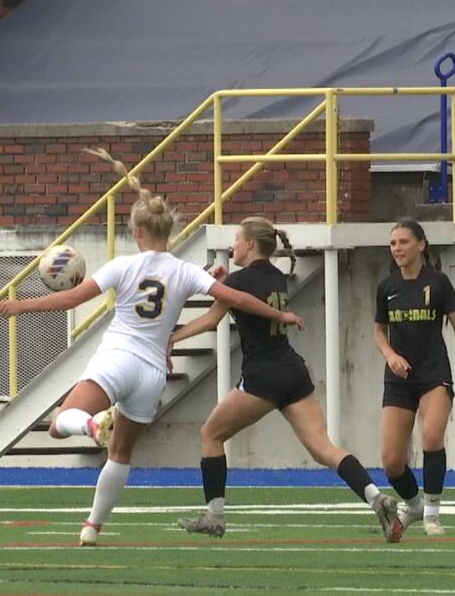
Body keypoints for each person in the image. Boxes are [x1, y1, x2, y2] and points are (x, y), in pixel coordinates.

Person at [0, 148, 304, 547]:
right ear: (167, 232)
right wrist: (280, 314)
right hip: (153, 373)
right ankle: (92, 527)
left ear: (138, 232)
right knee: (120, 452)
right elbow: (238, 299)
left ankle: (91, 426)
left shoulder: (123, 265)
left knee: (60, 424)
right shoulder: (186, 270)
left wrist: (22, 306)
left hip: (119, 357)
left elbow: (72, 299)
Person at [169, 216, 399, 539]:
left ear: (250, 243)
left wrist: (172, 338)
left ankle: (214, 516)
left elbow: (211, 319)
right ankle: (376, 497)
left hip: (262, 376)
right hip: (292, 371)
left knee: (211, 434)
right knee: (324, 448)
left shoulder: (239, 280)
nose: (233, 245)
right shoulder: (278, 276)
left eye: (237, 239)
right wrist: (224, 282)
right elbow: (245, 294)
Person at [374, 219, 455, 542]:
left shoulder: (438, 282)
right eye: (393, 243)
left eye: (403, 242)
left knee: (431, 437)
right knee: (391, 461)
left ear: (421, 245)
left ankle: (431, 514)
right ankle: (414, 505)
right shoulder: (387, 287)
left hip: (433, 373)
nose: (397, 248)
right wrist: (390, 355)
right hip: (399, 379)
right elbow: (379, 332)